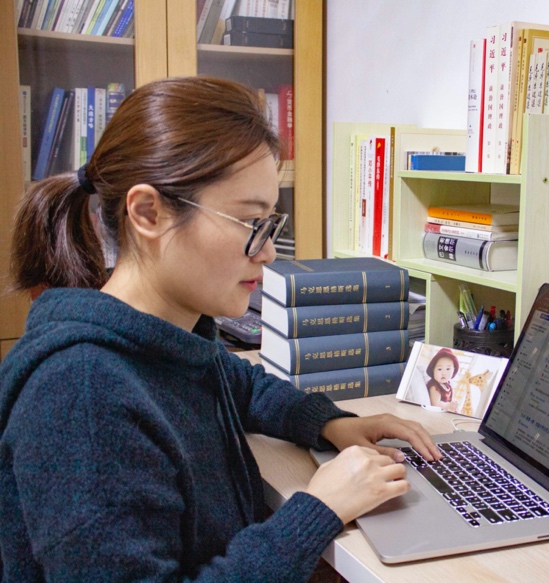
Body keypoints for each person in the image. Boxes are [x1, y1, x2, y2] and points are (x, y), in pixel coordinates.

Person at [0, 76, 441, 581]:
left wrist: (329, 423)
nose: (268, 252)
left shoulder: (167, 337)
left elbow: (239, 384)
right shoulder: (82, 394)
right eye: (250, 223)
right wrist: (318, 509)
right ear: (148, 213)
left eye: (270, 224)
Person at [425, 347, 460, 412]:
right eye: (439, 369)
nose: (444, 373)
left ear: (453, 370)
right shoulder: (434, 386)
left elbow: (449, 399)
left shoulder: (447, 385)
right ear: (433, 370)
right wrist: (449, 405)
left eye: (448, 369)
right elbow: (435, 404)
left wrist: (453, 404)